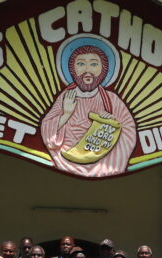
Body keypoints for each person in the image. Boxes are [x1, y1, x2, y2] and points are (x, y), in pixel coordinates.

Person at [40, 41, 137, 177]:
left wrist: (111, 125)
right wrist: (66, 114)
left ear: (103, 69)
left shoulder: (111, 100)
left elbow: (129, 132)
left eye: (94, 64)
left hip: (104, 161)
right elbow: (47, 133)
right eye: (81, 64)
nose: (87, 70)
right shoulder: (66, 97)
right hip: (66, 160)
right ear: (72, 69)